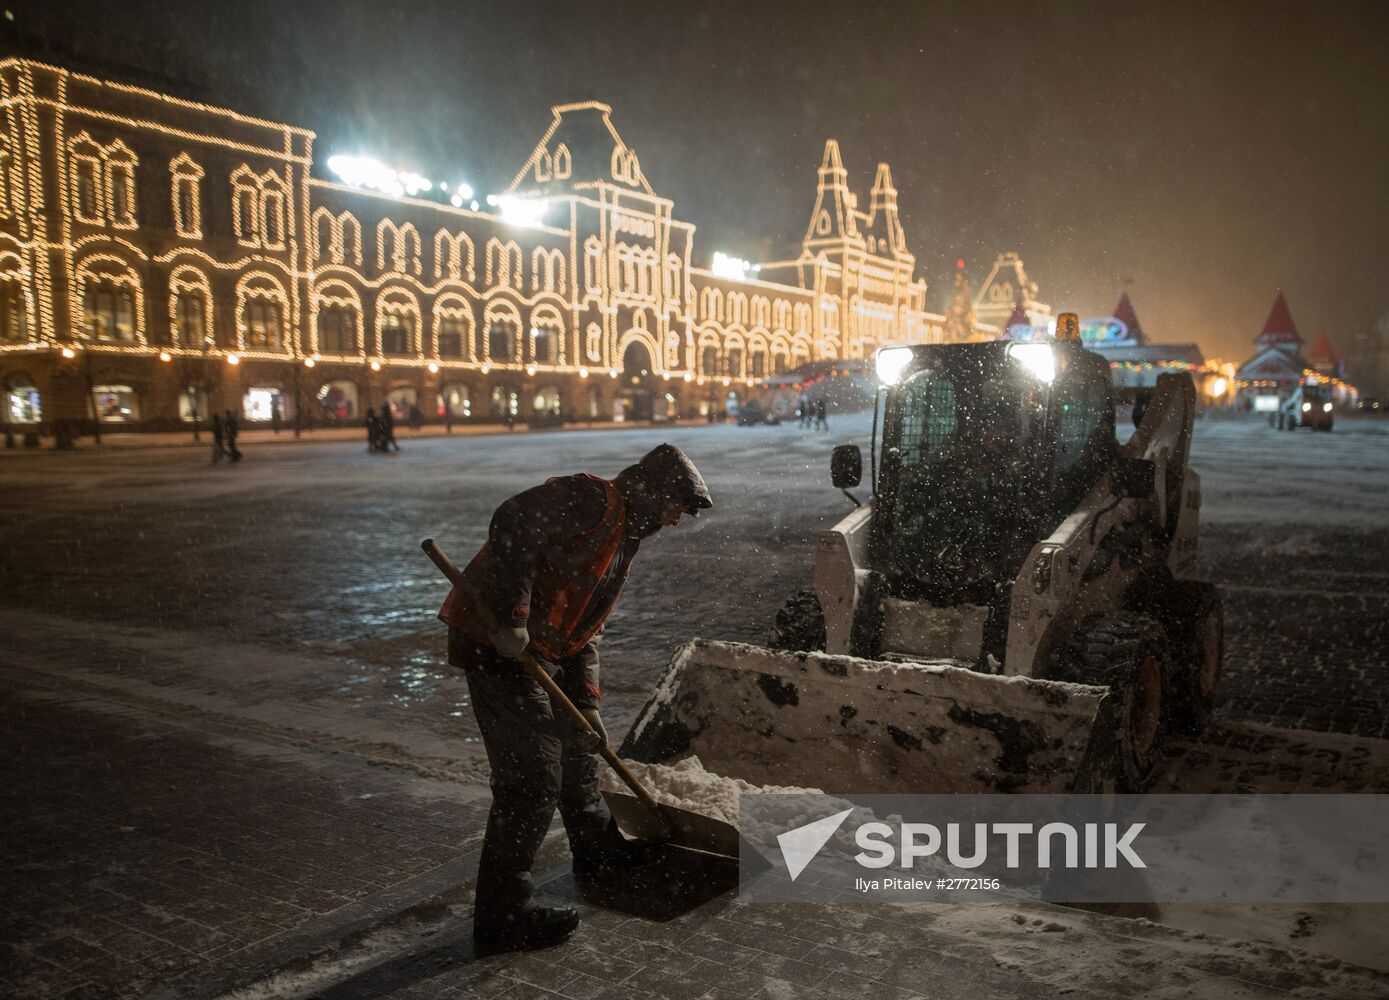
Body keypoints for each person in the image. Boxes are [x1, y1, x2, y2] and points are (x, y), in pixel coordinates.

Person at [438, 444, 713, 952]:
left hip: (543, 649)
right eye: (676, 506)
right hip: (495, 643)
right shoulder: (593, 500)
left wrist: (586, 700)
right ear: (654, 492)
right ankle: (502, 918)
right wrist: (514, 614)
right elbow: (514, 518)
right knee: (533, 777)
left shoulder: (623, 539)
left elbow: (586, 628)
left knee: (579, 749)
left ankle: (598, 852)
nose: (675, 519)